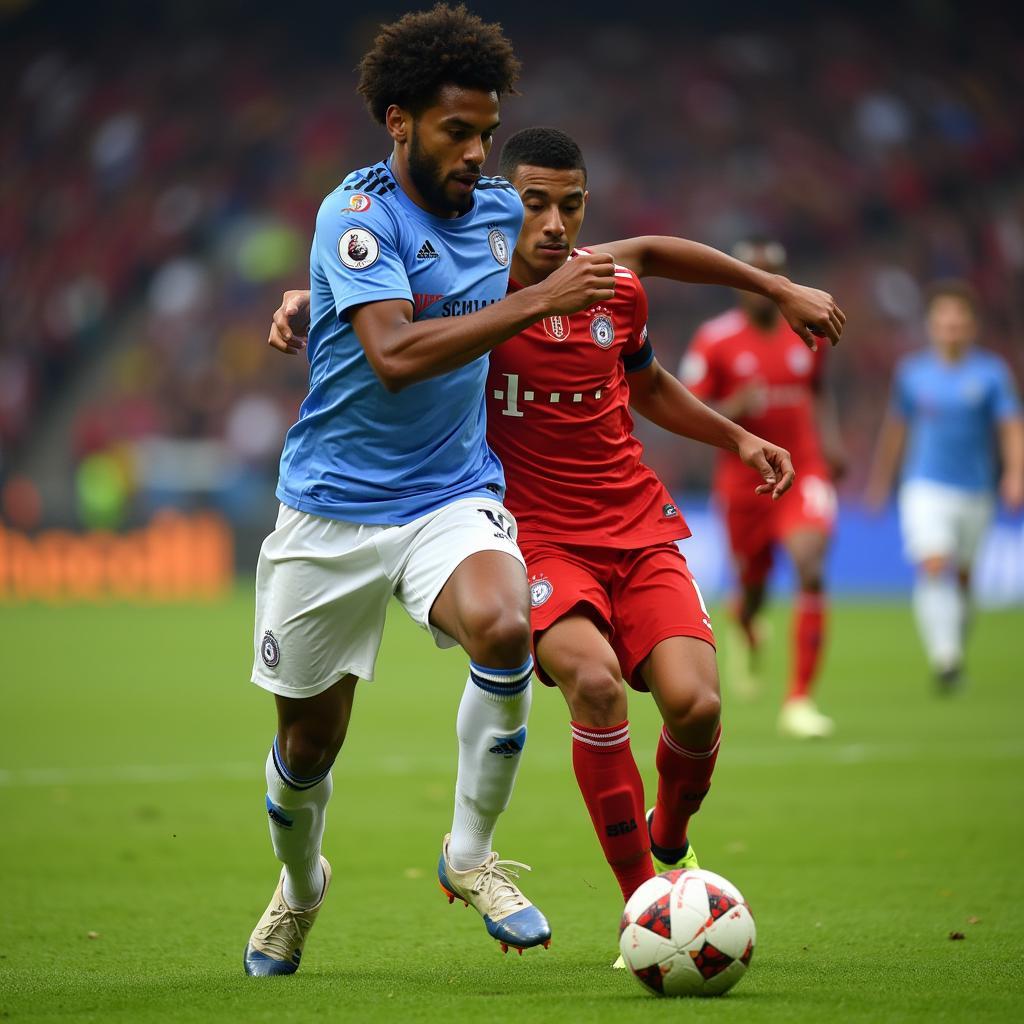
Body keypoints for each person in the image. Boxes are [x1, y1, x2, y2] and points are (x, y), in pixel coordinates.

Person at [268, 128, 844, 957]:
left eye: (569, 206)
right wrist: (305, 297)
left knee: (700, 705)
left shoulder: (606, 289)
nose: (553, 223)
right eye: (534, 203)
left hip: (636, 525)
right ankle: (645, 900)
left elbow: (647, 343)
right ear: (506, 205)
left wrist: (740, 429)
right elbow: (382, 302)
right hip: (533, 534)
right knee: (592, 685)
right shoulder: (479, 290)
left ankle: (669, 838)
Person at [244, 6, 620, 977]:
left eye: (487, 133)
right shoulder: (355, 214)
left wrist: (771, 285)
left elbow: (626, 258)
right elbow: (395, 353)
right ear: (399, 121)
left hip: (448, 495)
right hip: (326, 510)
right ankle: (298, 887)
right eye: (458, 131)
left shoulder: (503, 213)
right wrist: (528, 300)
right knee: (307, 744)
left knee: (503, 623)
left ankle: (469, 853)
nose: (477, 153)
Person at [680, 239, 846, 739]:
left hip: (805, 471)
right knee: (752, 589)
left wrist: (831, 444)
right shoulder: (714, 340)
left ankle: (799, 699)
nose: (763, 283)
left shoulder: (804, 332)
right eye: (753, 273)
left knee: (810, 565)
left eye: (772, 271)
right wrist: (735, 403)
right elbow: (689, 407)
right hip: (744, 483)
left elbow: (818, 391)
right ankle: (747, 624)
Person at [866, 280, 1023, 690]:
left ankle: (953, 648)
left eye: (958, 319)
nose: (950, 326)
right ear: (932, 325)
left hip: (976, 489)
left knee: (965, 578)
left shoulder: (991, 373)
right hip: (924, 485)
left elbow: (1010, 428)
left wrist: (1015, 474)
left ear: (971, 326)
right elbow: (896, 430)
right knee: (934, 563)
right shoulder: (912, 374)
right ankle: (946, 657)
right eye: (943, 319)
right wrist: (882, 481)